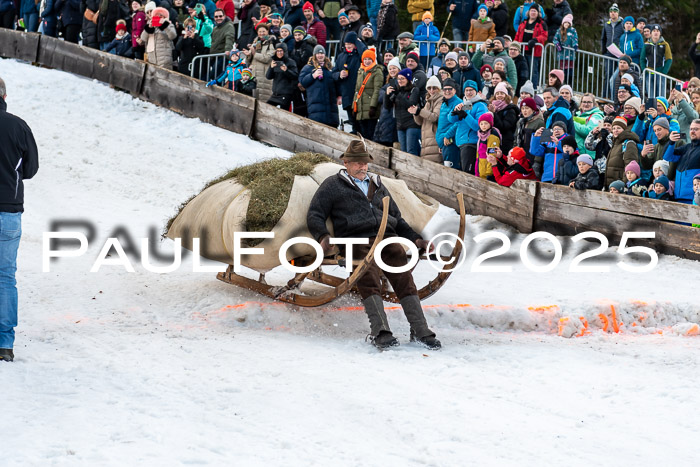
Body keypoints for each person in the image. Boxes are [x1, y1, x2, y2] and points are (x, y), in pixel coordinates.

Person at [307, 140, 440, 350]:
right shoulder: (333, 185)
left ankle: (420, 329)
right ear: (346, 162)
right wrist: (322, 236)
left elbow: (398, 218)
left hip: (387, 237)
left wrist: (417, 239)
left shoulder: (377, 184)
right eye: (357, 163)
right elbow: (315, 213)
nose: (362, 167)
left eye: (365, 163)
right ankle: (381, 331)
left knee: (404, 274)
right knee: (367, 274)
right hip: (356, 239)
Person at [0, 77, 39, 362]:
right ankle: (4, 343)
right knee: (4, 277)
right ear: (4, 95)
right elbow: (31, 168)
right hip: (9, 211)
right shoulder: (18, 126)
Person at [448, 80, 488, 173]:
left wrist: (465, 115)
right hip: (460, 143)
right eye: (466, 90)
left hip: (471, 144)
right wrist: (454, 111)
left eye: (471, 90)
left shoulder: (480, 105)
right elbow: (451, 119)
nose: (469, 92)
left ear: (476, 92)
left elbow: (478, 126)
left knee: (467, 173)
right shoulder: (466, 104)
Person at [299, 45, 339, 127]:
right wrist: (313, 75)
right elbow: (302, 82)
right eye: (318, 54)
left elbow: (336, 84)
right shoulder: (308, 67)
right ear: (314, 55)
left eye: (322, 54)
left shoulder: (330, 68)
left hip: (331, 107)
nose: (320, 56)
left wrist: (339, 95)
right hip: (316, 107)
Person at [385, 68, 421, 155]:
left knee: (411, 151)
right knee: (403, 152)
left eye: (402, 78)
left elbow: (410, 104)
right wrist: (387, 95)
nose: (400, 81)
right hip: (400, 124)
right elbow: (387, 106)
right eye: (398, 79)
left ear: (408, 79)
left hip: (411, 124)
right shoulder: (397, 90)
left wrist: (398, 94)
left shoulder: (414, 90)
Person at [333, 31, 362, 133]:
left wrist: (359, 42)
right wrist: (339, 75)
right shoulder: (341, 56)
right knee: (352, 121)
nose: (348, 46)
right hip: (346, 93)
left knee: (360, 122)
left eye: (350, 43)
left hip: (358, 93)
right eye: (346, 44)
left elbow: (365, 52)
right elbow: (334, 73)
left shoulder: (359, 55)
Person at [352, 48, 384, 141]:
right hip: (361, 106)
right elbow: (357, 90)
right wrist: (354, 106)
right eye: (365, 59)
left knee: (370, 133)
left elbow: (377, 90)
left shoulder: (377, 71)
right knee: (362, 134)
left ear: (373, 60)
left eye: (369, 59)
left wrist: (373, 106)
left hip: (370, 107)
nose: (367, 61)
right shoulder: (361, 71)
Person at [664, 122, 700, 204]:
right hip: (678, 197)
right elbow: (667, 157)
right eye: (691, 129)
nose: (692, 131)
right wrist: (671, 142)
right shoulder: (686, 148)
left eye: (696, 129)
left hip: (695, 199)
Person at [514, 5, 547, 88]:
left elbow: (544, 36)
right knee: (522, 71)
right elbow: (517, 35)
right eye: (531, 11)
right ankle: (522, 88)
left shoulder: (541, 24)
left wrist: (535, 40)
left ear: (538, 13)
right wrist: (515, 44)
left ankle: (533, 89)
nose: (533, 13)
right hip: (522, 51)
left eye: (535, 11)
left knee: (533, 72)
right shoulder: (523, 23)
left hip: (534, 52)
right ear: (528, 12)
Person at [243, 21, 277, 102]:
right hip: (254, 74)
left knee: (264, 100)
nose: (261, 33)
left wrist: (254, 53)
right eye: (259, 31)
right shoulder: (256, 42)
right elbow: (249, 60)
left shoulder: (272, 42)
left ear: (267, 32)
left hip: (264, 76)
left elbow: (267, 58)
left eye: (263, 31)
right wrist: (248, 55)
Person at [413, 75, 443, 163]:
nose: (431, 91)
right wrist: (416, 113)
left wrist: (420, 111)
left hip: (434, 139)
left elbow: (435, 117)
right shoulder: (428, 101)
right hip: (426, 139)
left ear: (439, 88)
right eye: (429, 88)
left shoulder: (441, 100)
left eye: (434, 88)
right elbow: (420, 122)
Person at [605, 116, 640, 187]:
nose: (615, 130)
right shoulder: (615, 143)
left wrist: (623, 184)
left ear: (624, 129)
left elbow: (630, 166)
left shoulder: (628, 143)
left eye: (618, 128)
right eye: (614, 128)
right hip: (612, 186)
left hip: (619, 185)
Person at [640, 25, 672, 99]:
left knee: (661, 96)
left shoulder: (665, 44)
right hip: (649, 73)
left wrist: (664, 72)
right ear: (651, 33)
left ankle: (661, 110)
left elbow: (669, 59)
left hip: (660, 74)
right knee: (650, 96)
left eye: (657, 31)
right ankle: (651, 109)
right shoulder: (646, 44)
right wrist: (645, 70)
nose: (656, 33)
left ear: (660, 33)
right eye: (654, 31)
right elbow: (642, 59)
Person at [436, 78, 462, 169]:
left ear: (454, 90)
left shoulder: (458, 103)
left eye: (450, 89)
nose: (447, 91)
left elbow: (459, 122)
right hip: (444, 143)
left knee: (451, 170)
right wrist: (441, 143)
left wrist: (447, 136)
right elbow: (442, 124)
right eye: (445, 89)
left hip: (451, 142)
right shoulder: (444, 103)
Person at [374, 57, 400, 148]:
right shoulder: (387, 85)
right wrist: (386, 94)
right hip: (384, 117)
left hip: (393, 117)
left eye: (394, 68)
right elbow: (380, 97)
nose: (392, 70)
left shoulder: (401, 83)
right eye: (390, 68)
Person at [266, 42, 299, 109]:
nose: (279, 53)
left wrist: (286, 70)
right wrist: (271, 68)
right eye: (277, 51)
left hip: (285, 94)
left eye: (281, 51)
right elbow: (268, 77)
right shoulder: (274, 61)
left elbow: (295, 76)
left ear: (285, 51)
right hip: (275, 94)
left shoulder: (291, 62)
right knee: (267, 108)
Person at [600, 3, 623, 100]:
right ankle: (605, 95)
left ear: (618, 14)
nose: (613, 14)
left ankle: (616, 96)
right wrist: (603, 51)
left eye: (615, 12)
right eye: (611, 12)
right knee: (608, 74)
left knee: (617, 76)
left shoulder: (622, 24)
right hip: (609, 52)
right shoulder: (607, 25)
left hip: (619, 53)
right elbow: (603, 38)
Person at [489, 82, 518, 154]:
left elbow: (504, 126)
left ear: (506, 95)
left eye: (502, 93)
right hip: (493, 141)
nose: (499, 95)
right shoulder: (492, 106)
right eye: (497, 93)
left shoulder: (510, 110)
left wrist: (494, 114)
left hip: (505, 143)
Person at [573, 93, 604, 157]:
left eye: (589, 102)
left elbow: (589, 131)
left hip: (589, 155)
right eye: (584, 102)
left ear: (594, 104)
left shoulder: (596, 116)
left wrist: (573, 123)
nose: (586, 104)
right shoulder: (577, 115)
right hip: (577, 153)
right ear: (581, 103)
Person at [553, 14, 577, 85]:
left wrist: (575, 45)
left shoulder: (572, 30)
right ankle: (561, 84)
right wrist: (558, 45)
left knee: (569, 72)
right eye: (565, 22)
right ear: (563, 23)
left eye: (568, 23)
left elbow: (575, 38)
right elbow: (555, 39)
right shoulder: (559, 30)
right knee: (562, 71)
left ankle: (569, 85)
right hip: (562, 55)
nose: (566, 24)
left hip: (570, 55)